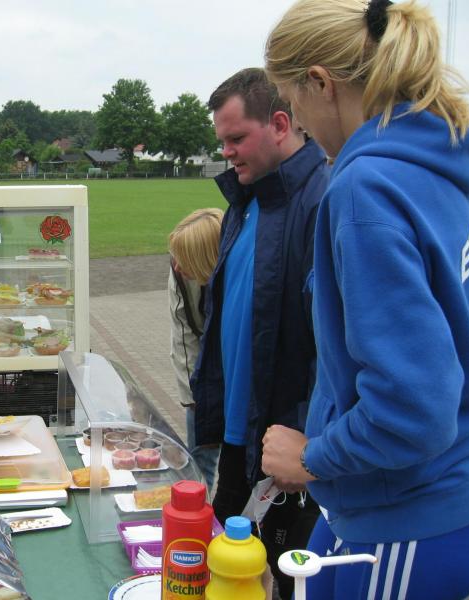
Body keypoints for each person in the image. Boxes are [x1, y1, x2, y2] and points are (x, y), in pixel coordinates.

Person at [260, 1, 469, 598]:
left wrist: (313, 457)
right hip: (412, 505)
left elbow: (413, 411)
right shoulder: (445, 169)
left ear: (320, 83)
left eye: (292, 100)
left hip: (405, 521)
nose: (298, 122)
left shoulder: (366, 190)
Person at [191, 67, 329, 598]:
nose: (226, 152)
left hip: (288, 451)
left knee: (284, 586)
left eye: (236, 139)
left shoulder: (322, 201)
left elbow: (333, 345)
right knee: (228, 577)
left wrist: (310, 441)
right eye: (222, 141)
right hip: (238, 440)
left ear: (279, 124)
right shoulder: (242, 201)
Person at [167, 208, 224, 490]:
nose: (177, 267)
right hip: (203, 371)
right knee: (201, 458)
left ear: (208, 258)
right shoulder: (180, 273)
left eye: (186, 259)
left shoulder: (240, 276)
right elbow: (184, 334)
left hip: (238, 375)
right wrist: (193, 397)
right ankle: (198, 505)